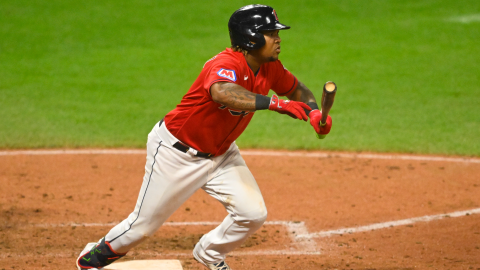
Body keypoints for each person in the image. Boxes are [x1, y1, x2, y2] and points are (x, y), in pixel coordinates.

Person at [76, 4, 332, 270]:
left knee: (252, 214)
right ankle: (92, 260)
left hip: (222, 155)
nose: (278, 38)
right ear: (250, 37)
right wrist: (275, 104)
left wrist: (314, 113)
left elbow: (297, 89)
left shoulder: (270, 67)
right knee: (141, 227)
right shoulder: (225, 64)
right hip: (176, 153)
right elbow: (222, 91)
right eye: (270, 33)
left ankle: (209, 254)